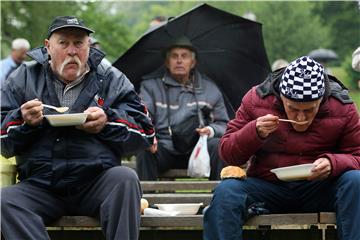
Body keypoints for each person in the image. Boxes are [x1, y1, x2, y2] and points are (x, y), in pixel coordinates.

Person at [1, 16, 154, 240]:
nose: (72, 51)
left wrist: (107, 122)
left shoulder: (111, 78)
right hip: (41, 185)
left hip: (97, 182)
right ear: (48, 47)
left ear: (88, 46)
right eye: (63, 43)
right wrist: (23, 121)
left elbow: (145, 132)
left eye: (79, 43)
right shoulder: (23, 78)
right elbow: (3, 142)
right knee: (5, 201)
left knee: (125, 178)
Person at [204, 56, 360, 240]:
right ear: (281, 96)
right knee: (227, 191)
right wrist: (253, 132)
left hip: (320, 188)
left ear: (321, 100)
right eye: (293, 108)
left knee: (355, 181)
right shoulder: (257, 99)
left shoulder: (341, 106)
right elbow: (227, 154)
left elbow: (357, 155)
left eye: (309, 110)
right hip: (268, 187)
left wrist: (333, 163)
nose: (301, 118)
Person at [136, 36, 229, 180]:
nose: (179, 60)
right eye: (174, 56)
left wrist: (210, 130)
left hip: (198, 149)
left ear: (193, 62)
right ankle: (146, 200)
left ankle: (219, 199)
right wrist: (149, 136)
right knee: (145, 147)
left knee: (218, 145)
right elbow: (142, 117)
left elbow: (224, 124)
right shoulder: (150, 86)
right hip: (163, 148)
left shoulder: (210, 89)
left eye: (184, 56)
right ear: (167, 62)